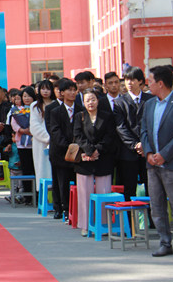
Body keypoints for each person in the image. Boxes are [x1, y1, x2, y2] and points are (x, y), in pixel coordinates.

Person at [140, 65, 173, 258]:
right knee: (157, 205)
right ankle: (164, 242)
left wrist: (163, 154)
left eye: (150, 81)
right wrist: (148, 153)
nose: (148, 85)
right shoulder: (149, 105)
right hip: (152, 164)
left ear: (160, 83)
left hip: (172, 163)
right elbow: (144, 130)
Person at [73, 88, 118, 236]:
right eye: (87, 100)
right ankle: (85, 225)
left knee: (103, 193)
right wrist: (89, 151)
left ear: (98, 100)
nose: (90, 103)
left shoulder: (107, 116)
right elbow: (78, 136)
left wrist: (98, 150)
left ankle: (103, 224)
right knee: (84, 194)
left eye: (93, 99)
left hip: (103, 158)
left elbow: (110, 136)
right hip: (85, 159)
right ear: (83, 102)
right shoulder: (79, 116)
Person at [113, 66, 154, 201]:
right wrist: (135, 144)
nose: (129, 83)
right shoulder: (119, 102)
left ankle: (152, 215)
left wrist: (145, 144)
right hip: (128, 152)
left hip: (149, 151)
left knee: (151, 188)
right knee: (129, 189)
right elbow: (120, 127)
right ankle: (130, 215)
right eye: (126, 80)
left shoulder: (151, 100)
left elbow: (153, 124)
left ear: (140, 81)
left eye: (132, 80)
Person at [48, 79, 82, 221]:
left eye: (74, 90)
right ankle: (61, 208)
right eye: (69, 90)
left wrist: (78, 146)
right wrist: (68, 146)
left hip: (78, 153)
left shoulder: (81, 109)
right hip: (60, 152)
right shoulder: (55, 111)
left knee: (78, 182)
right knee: (60, 182)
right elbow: (54, 131)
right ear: (62, 93)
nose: (72, 93)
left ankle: (77, 209)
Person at [10, 86, 36, 204]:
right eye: (24, 96)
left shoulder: (37, 109)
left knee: (34, 169)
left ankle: (36, 194)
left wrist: (33, 130)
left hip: (35, 143)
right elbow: (14, 124)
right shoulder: (17, 110)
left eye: (29, 96)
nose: (26, 98)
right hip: (22, 144)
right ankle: (27, 195)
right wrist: (22, 130)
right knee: (25, 169)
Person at [30, 80, 55, 194]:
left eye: (48, 89)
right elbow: (34, 125)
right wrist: (48, 138)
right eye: (43, 89)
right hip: (40, 142)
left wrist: (55, 138)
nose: (45, 91)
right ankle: (43, 194)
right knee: (42, 168)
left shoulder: (56, 104)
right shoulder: (34, 106)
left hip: (56, 141)